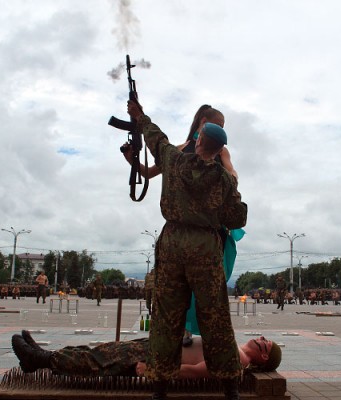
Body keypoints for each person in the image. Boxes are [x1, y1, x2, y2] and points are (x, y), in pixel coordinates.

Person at [126, 100, 248, 400]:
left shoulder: (173, 158)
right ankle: (230, 385)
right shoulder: (222, 177)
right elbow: (237, 217)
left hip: (172, 243)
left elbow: (155, 138)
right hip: (204, 246)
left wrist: (138, 115)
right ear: (217, 148)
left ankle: (159, 386)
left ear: (198, 138)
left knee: (167, 315)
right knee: (215, 316)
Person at [11, 330, 281, 378]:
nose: (261, 339)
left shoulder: (239, 361)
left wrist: (152, 372)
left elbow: (198, 370)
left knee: (99, 361)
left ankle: (41, 360)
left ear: (264, 358)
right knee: (101, 352)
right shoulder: (238, 350)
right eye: (264, 338)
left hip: (154, 359)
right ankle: (41, 357)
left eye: (265, 344)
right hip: (158, 347)